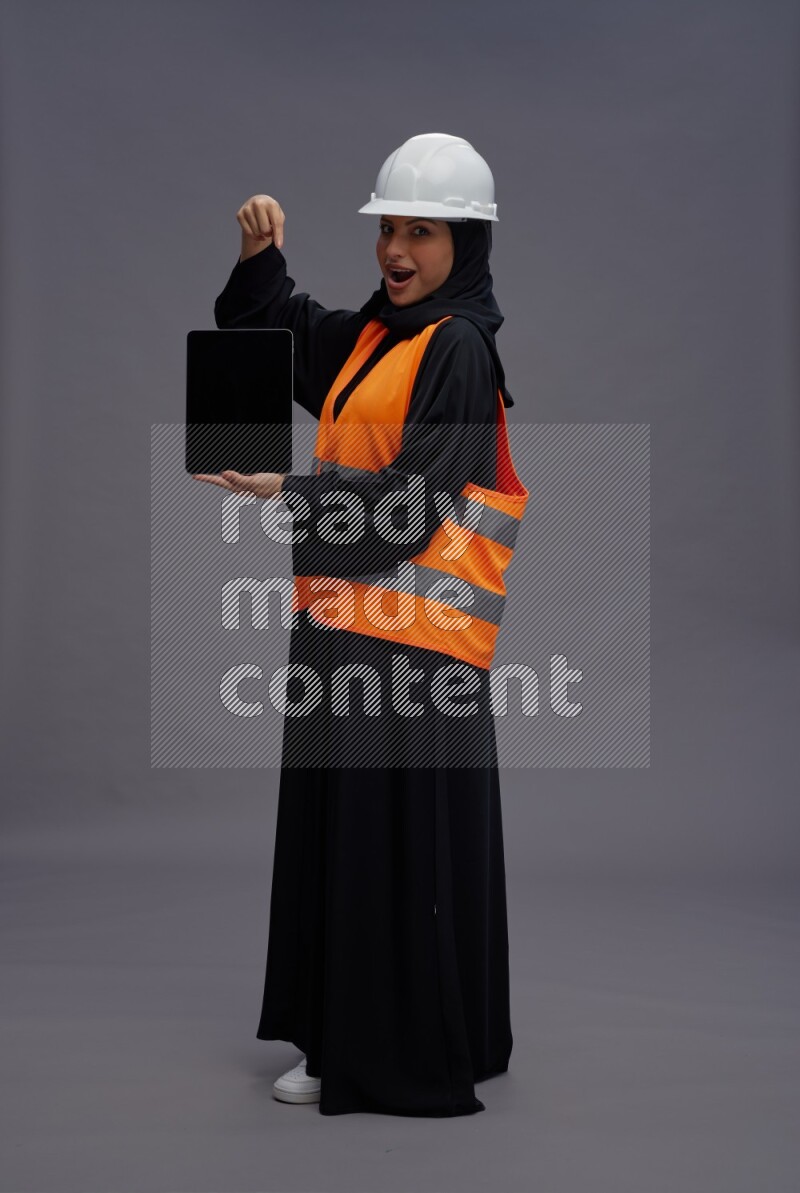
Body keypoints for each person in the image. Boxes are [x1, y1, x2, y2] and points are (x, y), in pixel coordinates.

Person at [196, 133, 528, 1117]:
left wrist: (281, 490)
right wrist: (261, 259)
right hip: (343, 628)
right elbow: (274, 331)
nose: (397, 249)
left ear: (463, 244)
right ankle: (354, 1029)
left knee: (392, 846)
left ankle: (385, 1052)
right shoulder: (379, 335)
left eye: (421, 232)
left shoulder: (457, 347)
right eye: (389, 227)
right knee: (346, 838)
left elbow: (409, 508)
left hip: (415, 651)